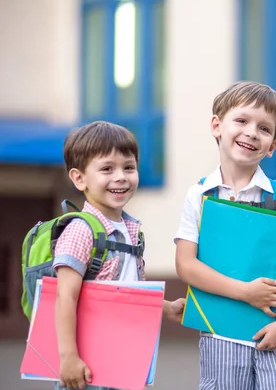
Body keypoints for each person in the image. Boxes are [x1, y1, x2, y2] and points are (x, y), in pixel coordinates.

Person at [175, 81, 276, 389]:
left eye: (264, 128)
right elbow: (186, 265)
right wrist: (246, 293)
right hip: (221, 332)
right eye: (241, 120)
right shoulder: (199, 196)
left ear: (273, 145)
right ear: (217, 125)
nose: (252, 132)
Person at [53, 120, 185, 390]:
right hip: (89, 369)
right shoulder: (81, 230)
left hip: (125, 360)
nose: (121, 177)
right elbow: (65, 297)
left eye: (129, 167)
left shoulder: (131, 231)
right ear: (79, 178)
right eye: (107, 169)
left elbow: (124, 297)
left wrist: (167, 308)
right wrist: (68, 357)